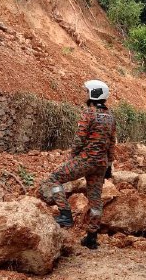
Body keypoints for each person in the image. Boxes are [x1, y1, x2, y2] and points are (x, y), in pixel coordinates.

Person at [39, 79, 116, 249]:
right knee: (95, 200)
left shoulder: (89, 113)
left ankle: (65, 215)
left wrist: (73, 158)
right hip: (101, 164)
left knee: (54, 179)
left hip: (86, 159)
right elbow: (111, 144)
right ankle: (92, 238)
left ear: (93, 93)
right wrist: (109, 165)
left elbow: (79, 139)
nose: (85, 94)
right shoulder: (111, 117)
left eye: (87, 91)